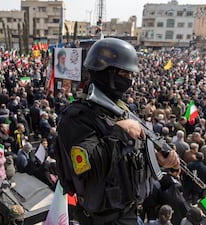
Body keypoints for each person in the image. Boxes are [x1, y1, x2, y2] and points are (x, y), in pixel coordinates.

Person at [55, 38, 179, 225]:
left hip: (127, 211)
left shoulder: (118, 111)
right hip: (103, 219)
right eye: (124, 74)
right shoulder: (76, 118)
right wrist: (119, 132)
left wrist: (157, 159)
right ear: (108, 73)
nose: (128, 80)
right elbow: (84, 167)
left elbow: (125, 160)